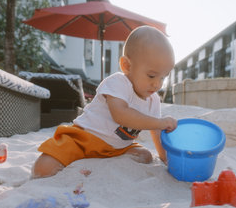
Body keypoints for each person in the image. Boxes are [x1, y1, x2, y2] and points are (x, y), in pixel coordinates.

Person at [31, 26, 177, 178]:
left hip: (117, 149)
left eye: (163, 77)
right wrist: (159, 122)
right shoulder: (118, 83)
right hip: (83, 140)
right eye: (152, 76)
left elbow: (156, 132)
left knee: (145, 156)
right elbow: (121, 115)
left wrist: (166, 158)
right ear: (127, 66)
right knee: (43, 169)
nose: (157, 84)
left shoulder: (153, 99)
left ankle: (103, 160)